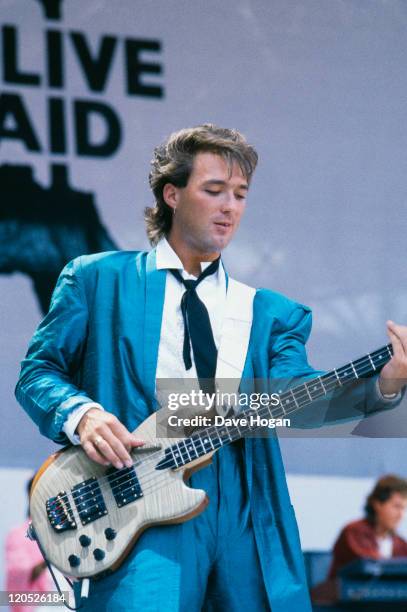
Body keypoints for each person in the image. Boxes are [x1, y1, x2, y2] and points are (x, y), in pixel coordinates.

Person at [15, 124, 407, 612]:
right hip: (138, 497)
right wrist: (83, 415)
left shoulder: (269, 313)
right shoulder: (98, 280)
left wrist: (387, 383)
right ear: (172, 194)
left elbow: (300, 403)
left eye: (241, 195)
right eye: (214, 190)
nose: (231, 207)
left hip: (244, 502)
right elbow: (37, 373)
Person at [328, 474, 407, 578]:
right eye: (396, 506)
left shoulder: (401, 544)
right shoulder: (354, 532)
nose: (401, 515)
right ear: (377, 504)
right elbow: (371, 564)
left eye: (404, 508)